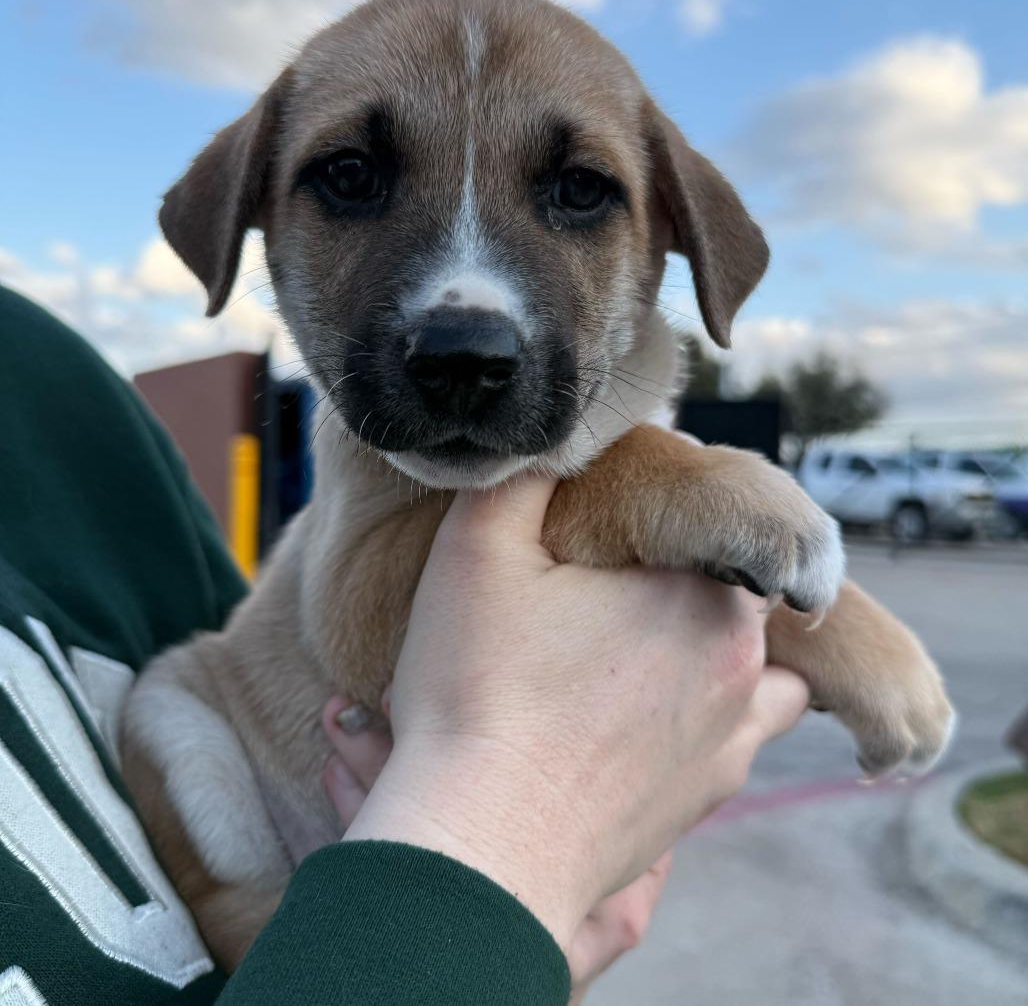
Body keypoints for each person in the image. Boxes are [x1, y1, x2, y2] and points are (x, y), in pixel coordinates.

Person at [0, 285, 808, 1005]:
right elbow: (369, 634)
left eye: (579, 191)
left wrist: (521, 949)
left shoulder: (51, 385)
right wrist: (498, 874)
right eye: (352, 181)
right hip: (312, 882)